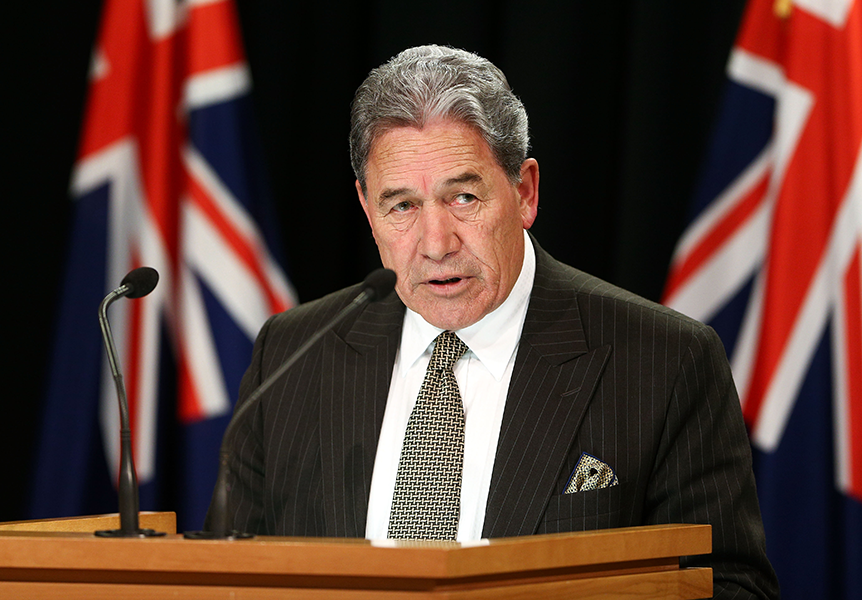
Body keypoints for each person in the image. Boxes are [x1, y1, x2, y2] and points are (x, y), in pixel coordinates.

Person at [226, 45, 779, 598]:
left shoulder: (663, 360)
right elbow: (225, 577)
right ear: (368, 211)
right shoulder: (293, 354)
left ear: (524, 192)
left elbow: (730, 587)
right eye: (402, 207)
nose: (436, 244)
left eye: (463, 197)